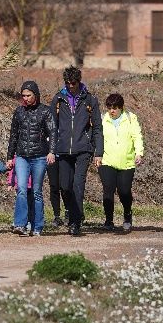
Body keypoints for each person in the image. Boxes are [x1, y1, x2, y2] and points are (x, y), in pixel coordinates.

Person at [50, 66, 103, 237]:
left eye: (73, 83)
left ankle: (75, 222)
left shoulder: (90, 100)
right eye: (67, 83)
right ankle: (74, 212)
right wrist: (52, 148)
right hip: (63, 149)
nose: (70, 86)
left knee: (78, 185)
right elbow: (52, 127)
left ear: (79, 82)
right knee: (65, 187)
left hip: (83, 149)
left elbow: (97, 128)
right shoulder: (58, 99)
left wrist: (98, 151)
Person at [6, 81, 56, 237]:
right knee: (21, 188)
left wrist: (52, 152)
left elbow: (53, 132)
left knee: (36, 191)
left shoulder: (45, 111)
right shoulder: (19, 112)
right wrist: (10, 157)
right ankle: (20, 224)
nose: (25, 98)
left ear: (36, 95)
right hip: (21, 156)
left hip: (40, 157)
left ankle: (38, 226)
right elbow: (13, 135)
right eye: (23, 95)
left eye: (28, 95)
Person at [99, 93, 144, 232]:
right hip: (107, 161)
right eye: (109, 107)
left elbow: (137, 136)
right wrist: (97, 155)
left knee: (124, 191)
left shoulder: (130, 118)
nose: (111, 111)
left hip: (127, 162)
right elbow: (97, 138)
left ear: (121, 107)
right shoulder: (102, 119)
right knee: (108, 191)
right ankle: (108, 220)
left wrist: (139, 153)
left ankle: (127, 214)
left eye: (115, 108)